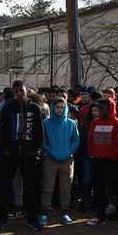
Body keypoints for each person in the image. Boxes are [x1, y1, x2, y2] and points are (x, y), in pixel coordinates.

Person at [0, 80, 45, 231]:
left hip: (28, 155)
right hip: (10, 154)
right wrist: (5, 150)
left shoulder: (34, 108)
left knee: (30, 187)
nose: (20, 93)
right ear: (13, 92)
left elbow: (39, 131)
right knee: (5, 187)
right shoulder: (7, 109)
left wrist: (34, 150)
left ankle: (32, 218)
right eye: (17, 91)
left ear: (26, 91)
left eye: (22, 90)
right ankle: (1, 218)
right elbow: (1, 131)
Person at [87, 97, 118, 228]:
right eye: (98, 108)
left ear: (110, 108)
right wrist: (92, 153)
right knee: (99, 189)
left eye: (103, 108)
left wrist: (112, 157)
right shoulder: (95, 122)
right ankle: (100, 217)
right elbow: (90, 140)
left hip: (112, 161)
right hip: (97, 160)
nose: (100, 111)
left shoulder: (117, 123)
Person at [40, 97, 80, 226]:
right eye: (57, 107)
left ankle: (64, 212)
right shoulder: (46, 123)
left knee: (65, 187)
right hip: (50, 159)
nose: (59, 109)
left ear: (66, 108)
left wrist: (69, 152)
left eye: (62, 107)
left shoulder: (71, 123)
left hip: (67, 160)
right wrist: (50, 152)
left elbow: (76, 140)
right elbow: (42, 140)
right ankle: (45, 212)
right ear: (53, 108)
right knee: (48, 187)